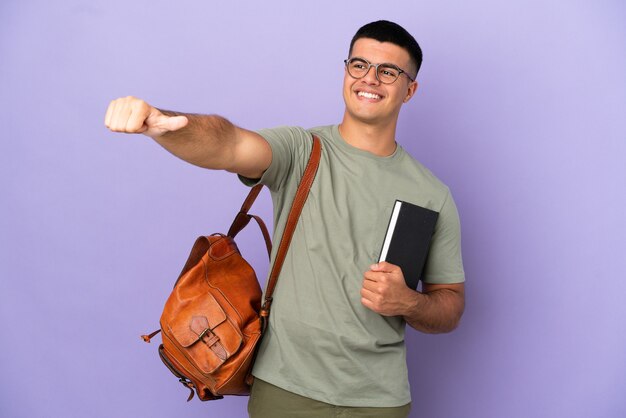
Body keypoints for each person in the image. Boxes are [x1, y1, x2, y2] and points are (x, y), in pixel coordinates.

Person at [105, 20, 465, 418]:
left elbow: (449, 305)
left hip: (380, 401)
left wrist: (409, 302)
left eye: (388, 71)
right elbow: (229, 144)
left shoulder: (431, 194)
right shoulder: (301, 150)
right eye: (359, 65)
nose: (370, 79)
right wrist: (164, 124)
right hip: (285, 391)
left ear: (409, 89)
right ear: (346, 72)